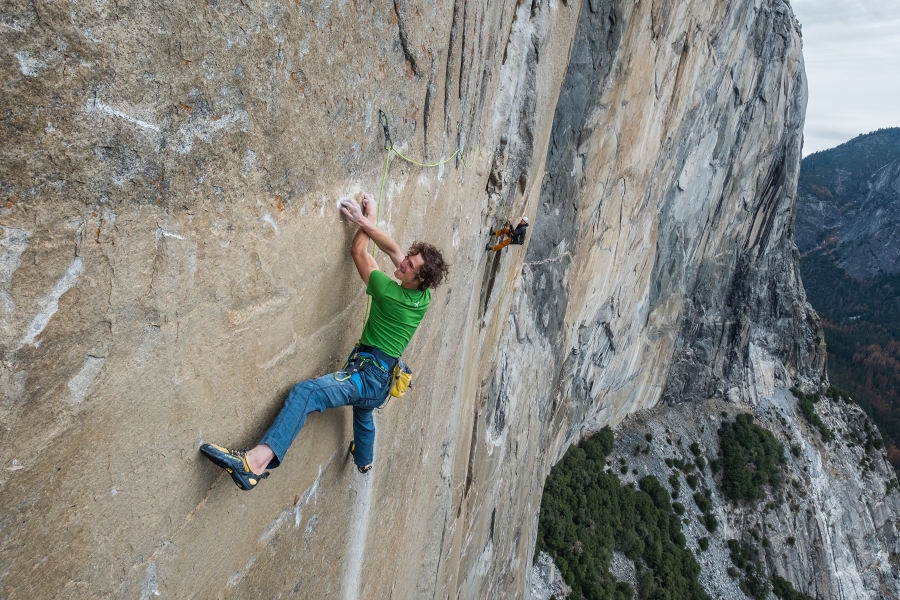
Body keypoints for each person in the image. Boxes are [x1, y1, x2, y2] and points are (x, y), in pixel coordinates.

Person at [200, 193, 449, 490]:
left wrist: (362, 220)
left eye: (410, 266)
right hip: (381, 380)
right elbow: (392, 248)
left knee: (306, 393)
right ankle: (364, 460)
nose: (404, 263)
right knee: (364, 410)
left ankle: (254, 464)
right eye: (408, 259)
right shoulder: (423, 296)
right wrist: (368, 219)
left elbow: (359, 251)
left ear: (418, 278)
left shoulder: (388, 292)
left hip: (366, 377)